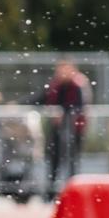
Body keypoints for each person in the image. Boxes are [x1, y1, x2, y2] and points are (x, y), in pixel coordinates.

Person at [38, 58, 86, 200]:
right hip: (57, 131)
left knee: (72, 161)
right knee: (54, 160)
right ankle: (51, 192)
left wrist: (64, 113)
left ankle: (73, 191)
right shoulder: (55, 86)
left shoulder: (77, 86)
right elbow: (40, 97)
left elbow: (78, 105)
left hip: (73, 130)